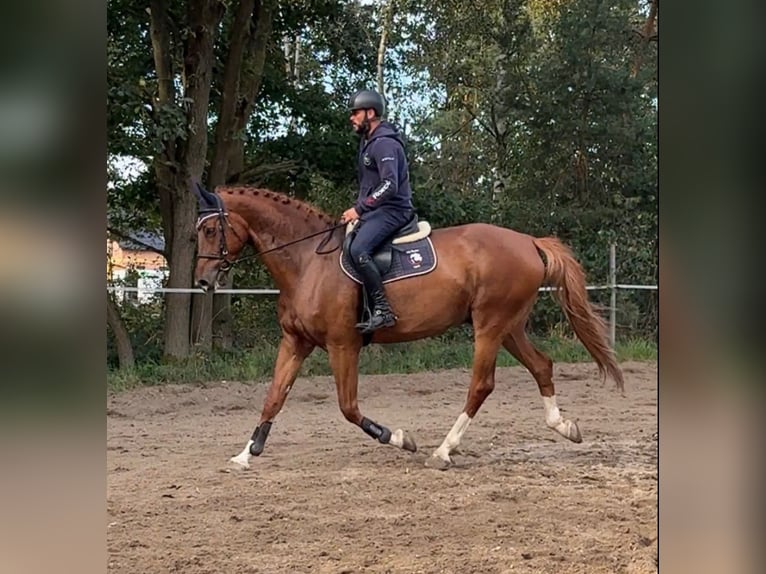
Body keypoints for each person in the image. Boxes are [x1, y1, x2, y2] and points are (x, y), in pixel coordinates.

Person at [340, 89, 415, 334]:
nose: (352, 118)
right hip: (377, 211)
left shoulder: (383, 144)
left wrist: (359, 209)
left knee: (359, 249)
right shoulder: (368, 142)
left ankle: (383, 310)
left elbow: (389, 184)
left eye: (355, 113)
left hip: (394, 210)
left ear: (370, 113)